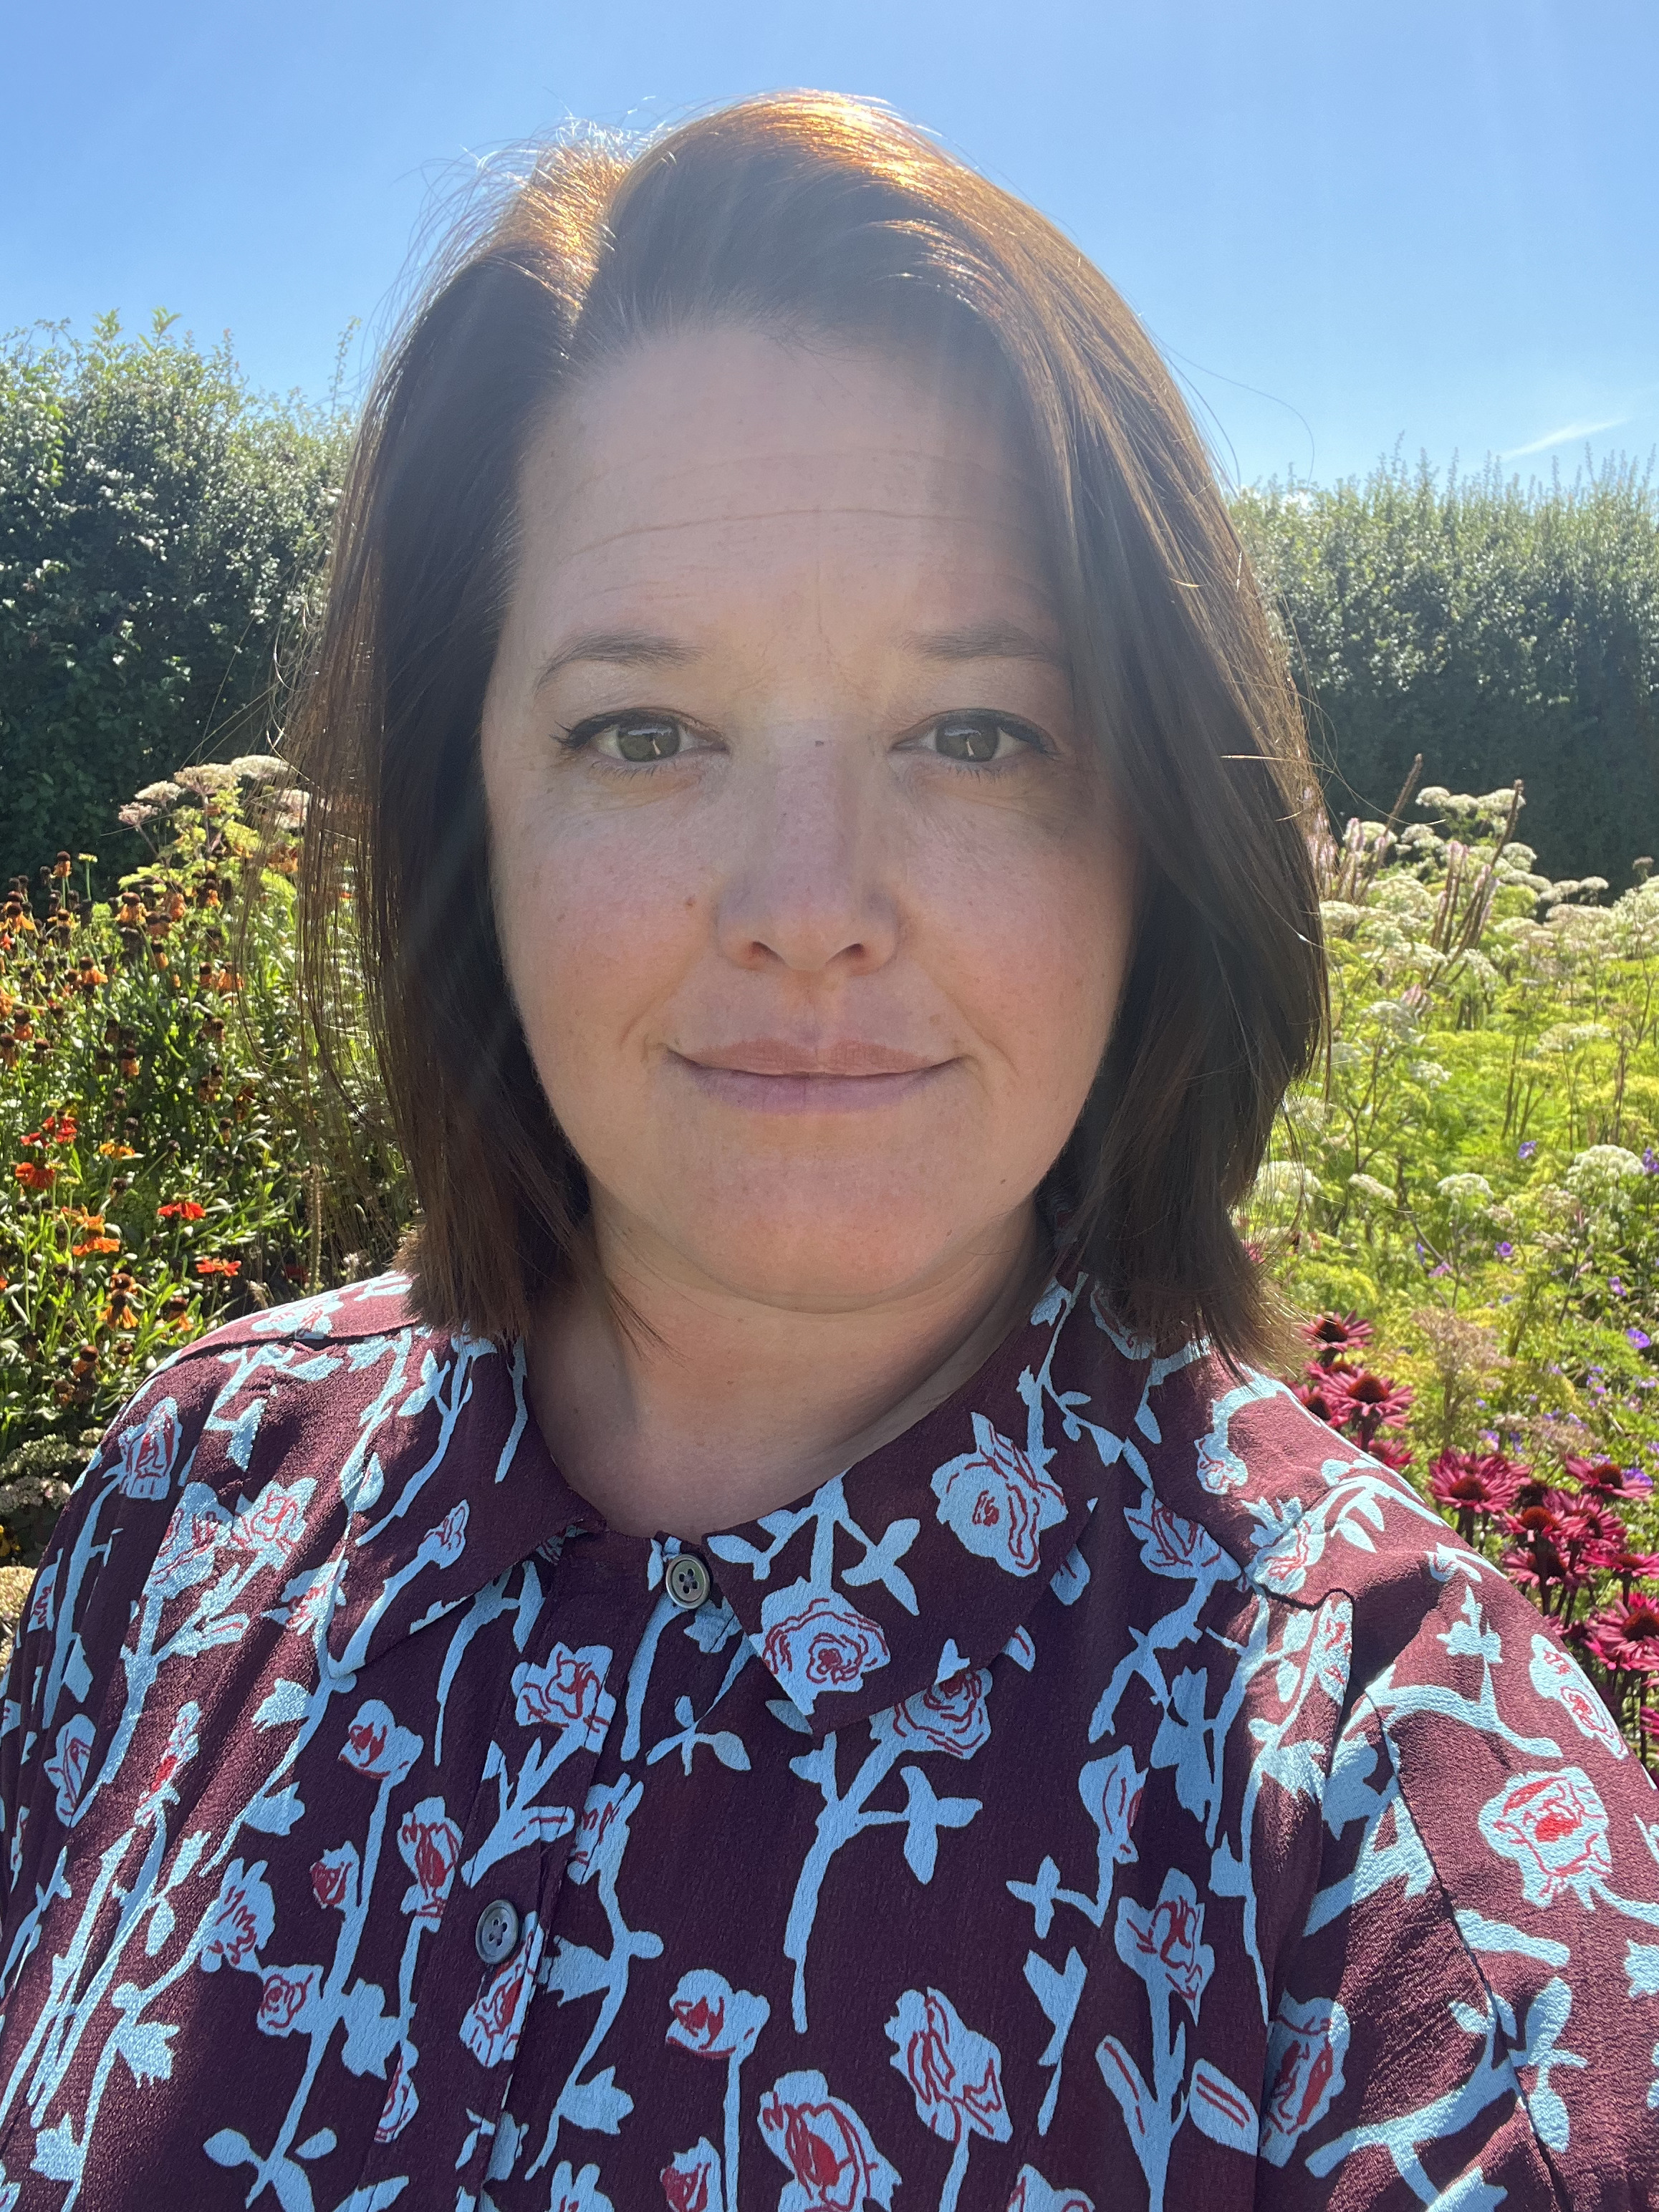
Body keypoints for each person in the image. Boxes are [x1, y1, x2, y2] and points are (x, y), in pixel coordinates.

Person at [0, 92, 1653, 2212]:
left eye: (974, 733)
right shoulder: (191, 1499)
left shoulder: (1402, 1832)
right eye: (642, 731)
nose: (805, 904)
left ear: (1156, 833)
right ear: (468, 811)